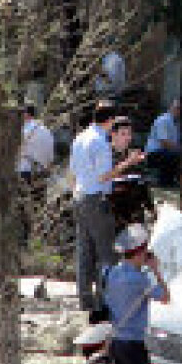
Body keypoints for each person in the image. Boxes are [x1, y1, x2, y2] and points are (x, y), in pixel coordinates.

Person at [69, 102, 143, 315]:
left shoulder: (80, 138)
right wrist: (128, 162)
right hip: (97, 198)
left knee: (84, 251)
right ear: (110, 121)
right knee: (106, 252)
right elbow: (104, 175)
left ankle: (85, 299)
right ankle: (103, 301)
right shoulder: (100, 142)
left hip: (80, 196)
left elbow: (73, 171)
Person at [104, 224, 170, 364]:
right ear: (140, 252)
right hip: (133, 345)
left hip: (113, 342)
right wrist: (155, 270)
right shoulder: (141, 280)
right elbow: (165, 296)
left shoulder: (111, 273)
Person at [144, 100, 180, 187]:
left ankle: (172, 180)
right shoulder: (163, 120)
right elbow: (164, 143)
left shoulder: (177, 123)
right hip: (154, 153)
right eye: (178, 108)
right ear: (172, 108)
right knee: (171, 156)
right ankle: (165, 182)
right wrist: (181, 149)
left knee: (175, 155)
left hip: (165, 152)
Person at [18, 104, 55, 179]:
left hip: (25, 171)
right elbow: (51, 156)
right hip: (42, 172)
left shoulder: (23, 131)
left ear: (26, 115)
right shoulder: (47, 131)